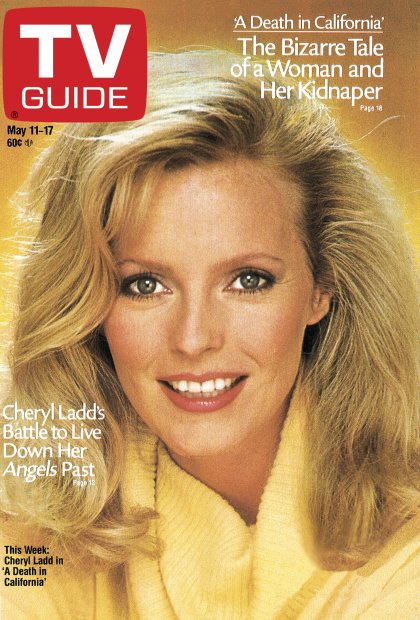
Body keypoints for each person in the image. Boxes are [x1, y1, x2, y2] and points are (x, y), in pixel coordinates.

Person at [1, 51, 418, 619]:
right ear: (89, 303)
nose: (194, 338)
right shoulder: (27, 514)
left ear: (322, 286)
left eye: (248, 280)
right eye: (144, 285)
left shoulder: (407, 536)